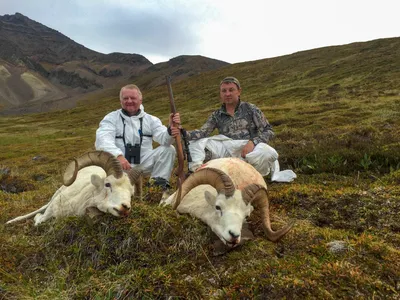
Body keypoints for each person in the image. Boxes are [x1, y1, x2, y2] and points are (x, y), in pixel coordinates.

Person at [182, 76, 296, 182]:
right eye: (224, 91)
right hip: (226, 149)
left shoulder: (251, 109)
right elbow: (203, 132)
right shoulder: (217, 114)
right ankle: (196, 173)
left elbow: (269, 130)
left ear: (239, 91)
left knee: (268, 153)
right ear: (220, 94)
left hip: (249, 150)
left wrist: (253, 142)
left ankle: (253, 176)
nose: (227, 94)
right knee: (195, 143)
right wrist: (182, 132)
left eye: (231, 90)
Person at [95, 84, 181, 189]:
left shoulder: (151, 120)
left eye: (133, 98)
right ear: (120, 101)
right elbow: (103, 140)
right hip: (119, 165)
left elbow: (165, 140)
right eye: (125, 98)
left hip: (143, 163)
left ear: (140, 100)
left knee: (168, 149)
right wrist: (118, 156)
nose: (129, 101)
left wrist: (170, 130)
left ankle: (157, 187)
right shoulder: (111, 118)